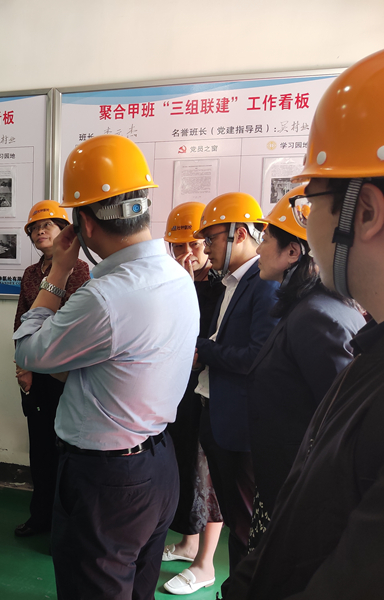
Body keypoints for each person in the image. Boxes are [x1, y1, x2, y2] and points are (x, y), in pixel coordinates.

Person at [219, 48, 384, 599]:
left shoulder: (325, 321)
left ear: (365, 213)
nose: (306, 226)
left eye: (312, 203)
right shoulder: (369, 350)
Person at [14, 134, 199, 600]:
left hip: (107, 481)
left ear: (85, 225)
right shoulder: (177, 276)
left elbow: (28, 350)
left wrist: (58, 272)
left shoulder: (105, 297)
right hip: (159, 465)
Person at [246, 186, 364, 549]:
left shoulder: (317, 317)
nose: (258, 249)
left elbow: (339, 425)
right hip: (285, 485)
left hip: (298, 497)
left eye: (266, 239)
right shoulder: (308, 308)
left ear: (293, 252)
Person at [191, 192, 280, 574]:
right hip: (216, 412)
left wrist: (202, 349)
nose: (205, 247)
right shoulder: (233, 282)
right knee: (232, 516)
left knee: (244, 526)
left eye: (210, 239)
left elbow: (255, 357)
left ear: (239, 234)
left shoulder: (264, 283)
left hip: (240, 425)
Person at [13, 200, 89, 538]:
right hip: (35, 370)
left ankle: (63, 524)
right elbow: (21, 319)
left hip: (66, 372)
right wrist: (22, 364)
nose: (40, 231)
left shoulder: (80, 270)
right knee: (40, 446)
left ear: (64, 232)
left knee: (65, 451)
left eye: (48, 225)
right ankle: (40, 516)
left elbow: (71, 322)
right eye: (34, 228)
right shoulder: (30, 274)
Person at [160, 202, 225, 595]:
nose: (188, 253)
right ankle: (188, 543)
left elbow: (205, 339)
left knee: (207, 473)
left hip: (205, 389)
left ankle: (206, 563)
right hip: (176, 387)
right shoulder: (171, 281)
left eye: (195, 244)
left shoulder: (223, 286)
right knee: (185, 464)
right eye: (179, 246)